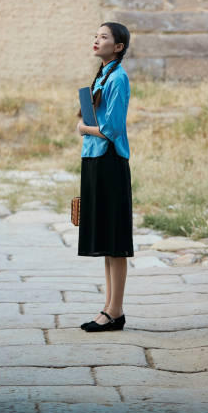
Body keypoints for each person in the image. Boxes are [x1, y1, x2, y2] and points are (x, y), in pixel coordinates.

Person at [75, 22, 133, 332]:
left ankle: (115, 311)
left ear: (118, 47)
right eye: (95, 36)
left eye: (104, 37)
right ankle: (109, 308)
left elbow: (113, 128)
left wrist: (84, 128)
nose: (97, 40)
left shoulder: (118, 78)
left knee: (115, 241)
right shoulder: (102, 75)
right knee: (107, 242)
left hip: (110, 160)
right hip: (95, 159)